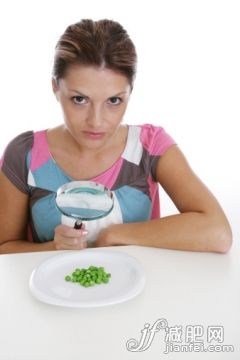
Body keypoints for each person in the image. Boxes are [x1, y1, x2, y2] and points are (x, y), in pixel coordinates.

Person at [0, 19, 232, 254]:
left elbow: (218, 233)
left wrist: (113, 234)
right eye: (80, 99)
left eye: (114, 100)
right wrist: (52, 247)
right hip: (50, 290)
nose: (96, 121)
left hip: (140, 290)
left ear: (130, 92)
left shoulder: (150, 147)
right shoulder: (25, 155)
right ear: (55, 88)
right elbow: (4, 247)